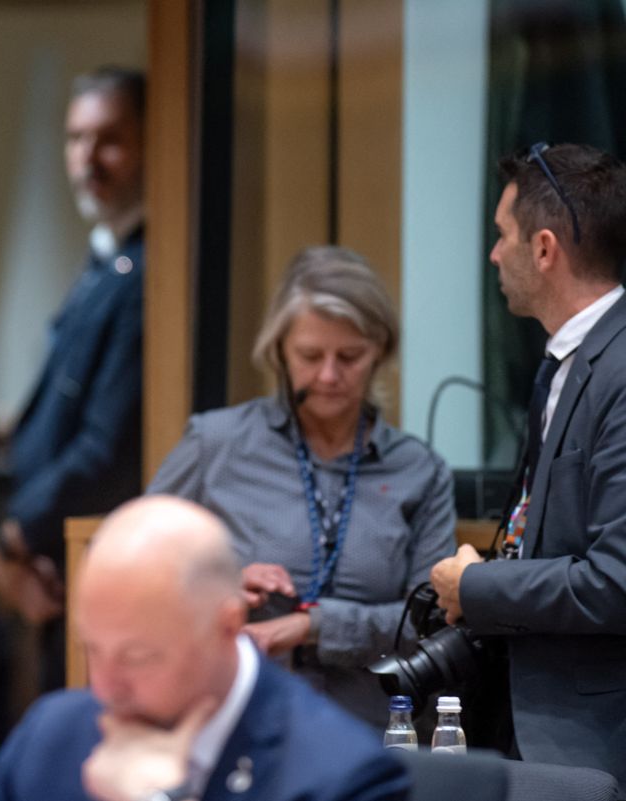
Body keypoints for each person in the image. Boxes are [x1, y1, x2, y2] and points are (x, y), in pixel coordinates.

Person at [148, 246, 456, 729]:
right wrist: (221, 582)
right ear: (279, 353)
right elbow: (134, 565)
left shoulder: (420, 470)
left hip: (370, 730)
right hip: (233, 721)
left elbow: (430, 621)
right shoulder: (216, 443)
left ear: (381, 351)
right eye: (310, 356)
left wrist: (313, 627)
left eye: (350, 356)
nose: (329, 375)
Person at [0, 495, 410, 801]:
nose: (107, 689)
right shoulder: (50, 739)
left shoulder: (342, 776)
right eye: (92, 649)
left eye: (137, 656)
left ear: (228, 626)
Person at [430, 142, 626, 785]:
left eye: (502, 235)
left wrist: (475, 588)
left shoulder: (620, 368)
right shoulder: (569, 363)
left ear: (543, 249)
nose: (493, 254)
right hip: (526, 718)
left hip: (593, 747)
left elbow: (615, 582)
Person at [0, 66, 146, 680]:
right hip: (61, 561)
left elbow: (105, 448)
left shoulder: (149, 272)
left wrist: (17, 534)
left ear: (151, 146)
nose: (88, 159)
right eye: (77, 139)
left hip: (102, 560)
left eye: (110, 139)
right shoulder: (106, 261)